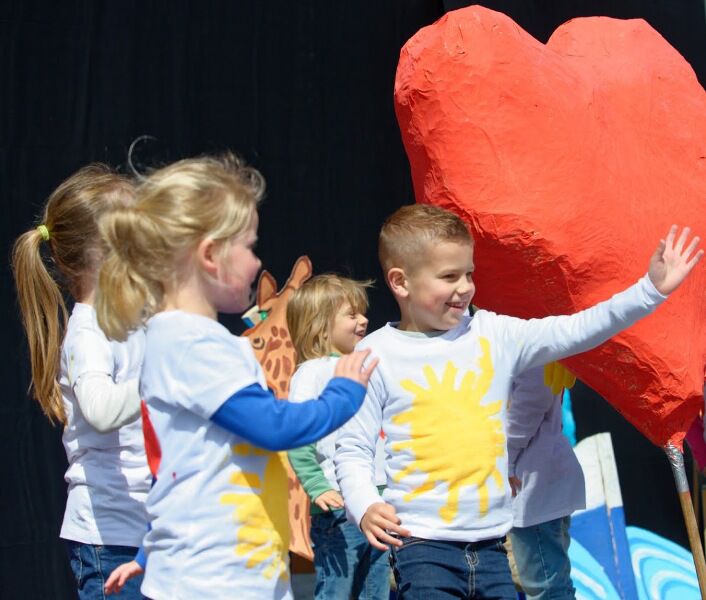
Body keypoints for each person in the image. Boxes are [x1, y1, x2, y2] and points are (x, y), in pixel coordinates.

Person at [334, 203, 702, 599]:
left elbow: (574, 330)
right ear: (400, 282)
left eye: (469, 274)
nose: (464, 287)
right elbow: (352, 447)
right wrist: (364, 504)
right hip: (421, 545)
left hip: (492, 544)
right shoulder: (373, 356)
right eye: (449, 276)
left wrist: (650, 291)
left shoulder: (494, 334)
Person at [95, 154, 377, 600]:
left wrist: (150, 552)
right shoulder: (194, 345)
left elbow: (183, 467)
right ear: (210, 255)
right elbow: (275, 427)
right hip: (215, 582)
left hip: (224, 575)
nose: (256, 261)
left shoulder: (178, 341)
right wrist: (344, 392)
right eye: (249, 246)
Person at [12, 164, 150, 599]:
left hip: (153, 532)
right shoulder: (88, 332)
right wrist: (163, 378)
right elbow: (102, 410)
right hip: (110, 539)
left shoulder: (137, 322)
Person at [286, 274, 390, 599]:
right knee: (337, 591)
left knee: (375, 590)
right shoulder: (312, 372)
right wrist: (317, 485)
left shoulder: (362, 367)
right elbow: (299, 433)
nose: (364, 320)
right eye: (352, 314)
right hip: (339, 507)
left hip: (377, 501)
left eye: (363, 313)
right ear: (320, 325)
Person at [507, 365, 583, 599]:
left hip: (533, 484)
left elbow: (527, 407)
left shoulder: (533, 356)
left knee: (546, 589)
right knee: (547, 585)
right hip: (534, 481)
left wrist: (504, 461)